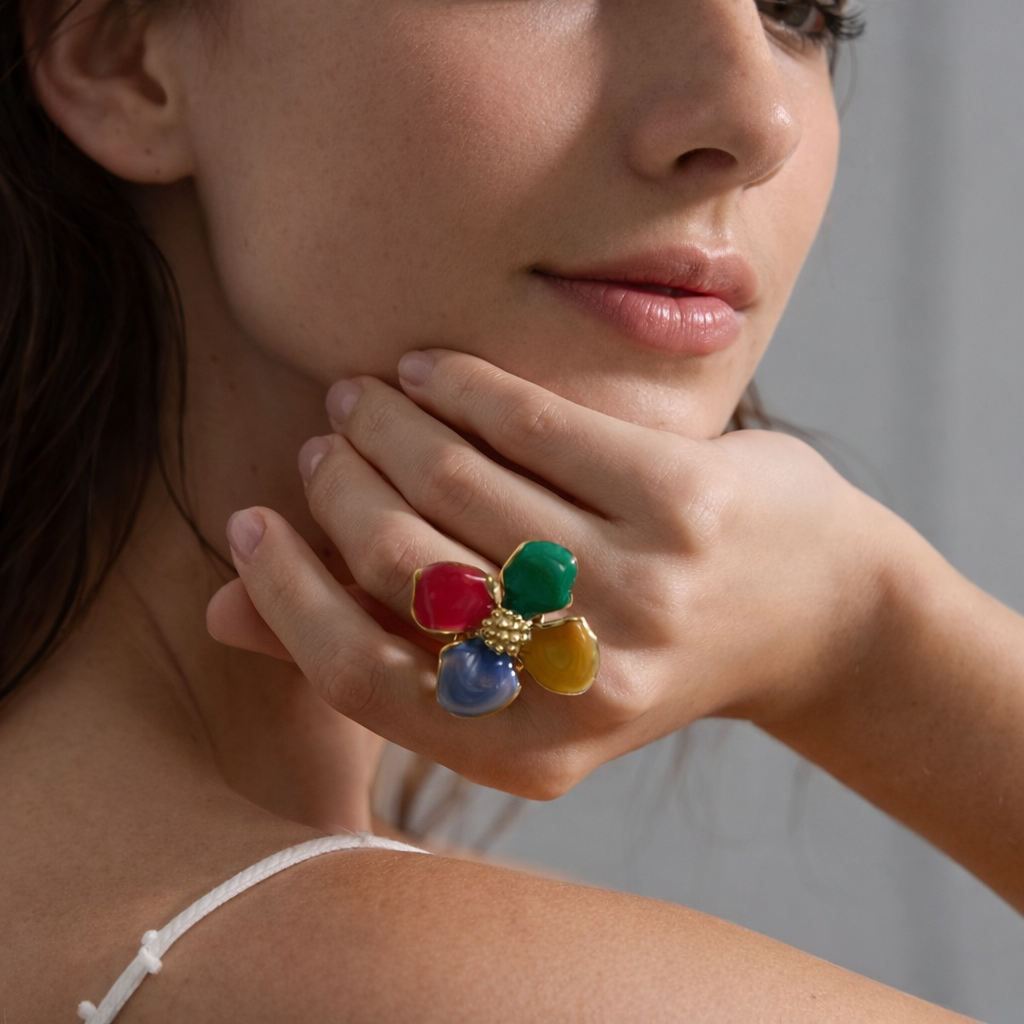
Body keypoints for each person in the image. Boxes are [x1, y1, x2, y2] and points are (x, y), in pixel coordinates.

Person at [0, 0, 1020, 1020]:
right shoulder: (446, 987)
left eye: (800, 10)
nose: (756, 120)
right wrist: (873, 641)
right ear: (122, 54)